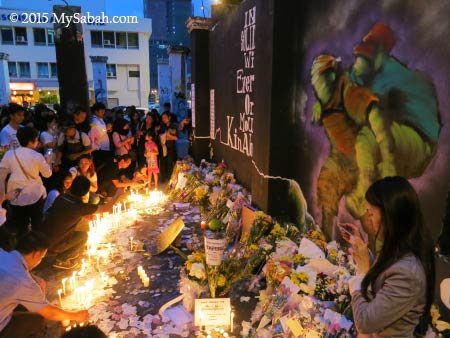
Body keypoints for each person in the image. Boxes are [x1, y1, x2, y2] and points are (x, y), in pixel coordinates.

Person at [341, 176, 435, 337]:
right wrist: (364, 253)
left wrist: (362, 271)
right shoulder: (397, 248)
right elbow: (383, 278)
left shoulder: (409, 274)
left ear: (389, 216)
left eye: (370, 214)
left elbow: (365, 322)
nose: (368, 220)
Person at [0, 231, 89, 338]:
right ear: (37, 254)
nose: (40, 260)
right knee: (37, 321)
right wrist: (76, 315)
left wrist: (32, 279)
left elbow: (13, 271)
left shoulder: (2, 253)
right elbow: (51, 313)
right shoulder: (23, 282)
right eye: (42, 257)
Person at [37, 176, 116, 270]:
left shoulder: (62, 197)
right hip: (53, 244)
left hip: (42, 236)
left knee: (80, 225)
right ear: (86, 192)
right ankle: (62, 259)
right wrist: (118, 193)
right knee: (83, 236)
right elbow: (106, 208)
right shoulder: (80, 207)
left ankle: (63, 251)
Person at [0, 127, 52, 236]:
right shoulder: (37, 156)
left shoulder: (9, 154)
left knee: (20, 225)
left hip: (15, 194)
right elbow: (47, 174)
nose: (38, 142)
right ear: (31, 141)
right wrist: (48, 161)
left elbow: (2, 173)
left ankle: (22, 248)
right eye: (37, 139)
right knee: (37, 224)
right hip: (35, 194)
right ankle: (36, 247)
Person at [89, 102, 112, 172]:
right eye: (102, 112)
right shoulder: (93, 120)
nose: (103, 113)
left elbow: (103, 129)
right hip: (99, 148)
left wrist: (107, 129)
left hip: (104, 147)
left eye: (104, 112)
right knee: (100, 166)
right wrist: (106, 128)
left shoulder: (100, 119)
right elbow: (96, 133)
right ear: (96, 111)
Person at [159, 112, 178, 182]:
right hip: (163, 147)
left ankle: (170, 177)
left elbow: (176, 137)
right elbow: (159, 135)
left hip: (170, 147)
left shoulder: (173, 125)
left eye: (165, 118)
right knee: (163, 162)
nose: (163, 119)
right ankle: (163, 177)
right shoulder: (161, 125)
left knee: (169, 162)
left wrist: (168, 136)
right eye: (162, 118)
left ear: (169, 117)